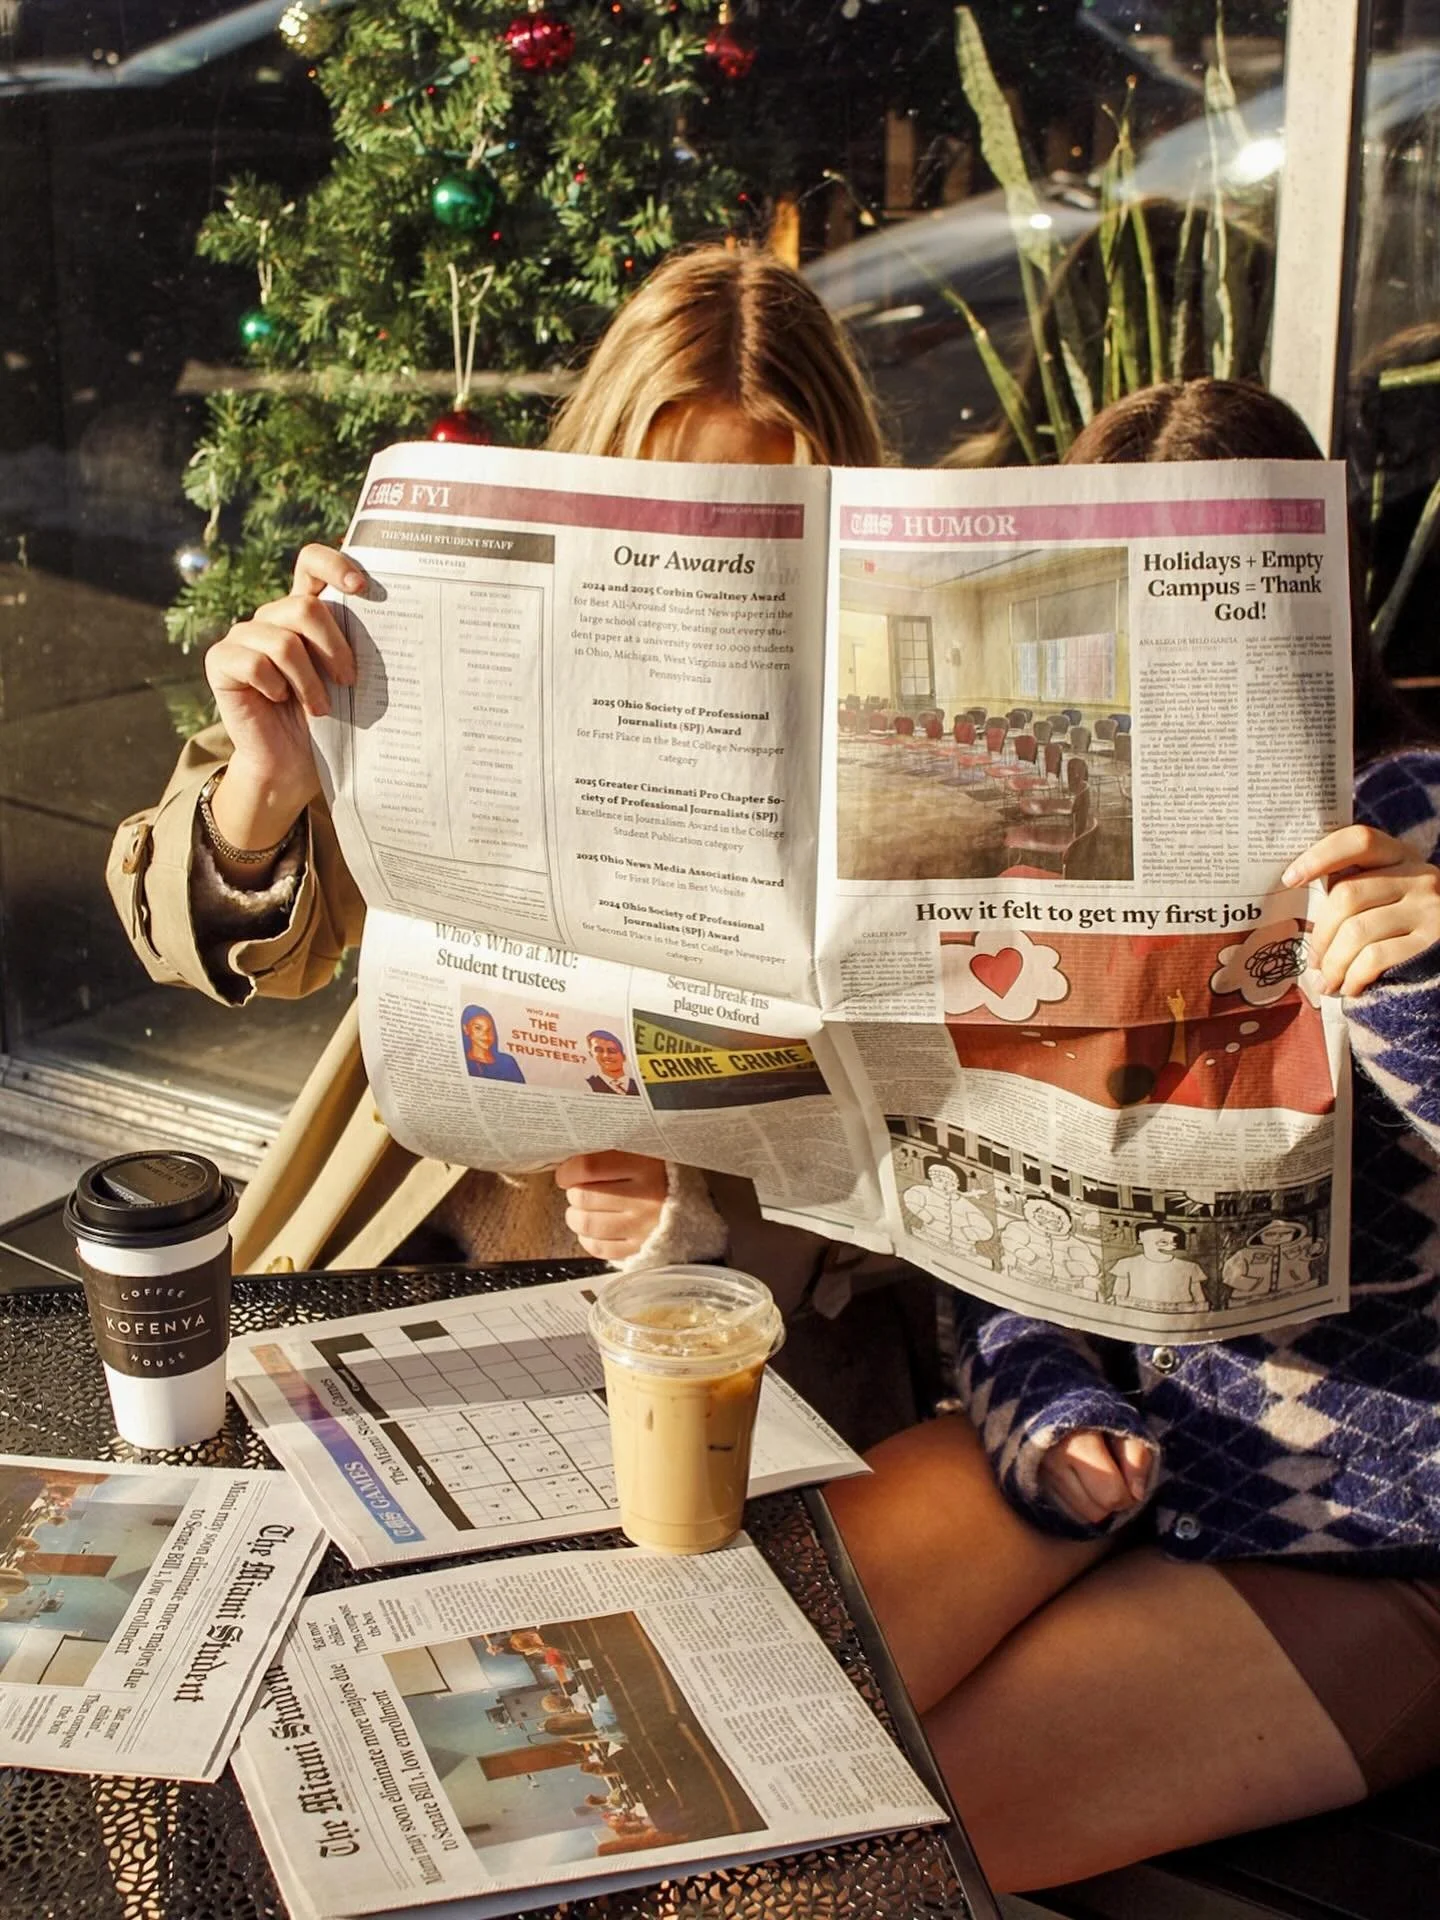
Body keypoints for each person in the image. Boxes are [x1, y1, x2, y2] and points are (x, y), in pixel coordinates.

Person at [827, 377, 1440, 1891]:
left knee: (902, 1838)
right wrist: (1040, 1407)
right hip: (1110, 1472)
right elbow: (993, 1211)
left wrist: (1418, 984)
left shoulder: (1423, 822)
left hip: (1371, 1536)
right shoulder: (1051, 849)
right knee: (751, 1715)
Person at [106, 245, 887, 1288]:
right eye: (669, 516)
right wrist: (271, 779)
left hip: (726, 1306)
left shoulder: (884, 704)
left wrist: (684, 1207)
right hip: (422, 1234)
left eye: (755, 530)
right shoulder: (471, 617)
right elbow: (217, 946)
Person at [460, 1007, 525, 1083]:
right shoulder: (463, 1061)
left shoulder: (507, 1062)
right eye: (478, 1028)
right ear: (466, 1029)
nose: (486, 1035)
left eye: (489, 1029)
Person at [584, 1031, 639, 1097]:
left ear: (623, 1057)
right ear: (591, 1054)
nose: (606, 1055)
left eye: (612, 1051)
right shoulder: (587, 1084)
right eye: (599, 1050)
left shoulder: (638, 1085)